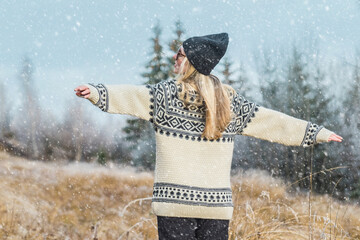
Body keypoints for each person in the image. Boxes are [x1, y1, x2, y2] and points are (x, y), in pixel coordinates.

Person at [75, 33, 342, 240]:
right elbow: (271, 121)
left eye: (178, 55)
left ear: (190, 61)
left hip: (174, 207)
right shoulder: (228, 101)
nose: (174, 59)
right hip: (215, 208)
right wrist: (316, 132)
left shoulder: (166, 95)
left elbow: (132, 96)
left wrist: (97, 92)